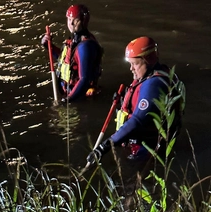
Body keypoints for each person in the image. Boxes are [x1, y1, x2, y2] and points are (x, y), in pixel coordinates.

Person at [86, 36, 185, 166]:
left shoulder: (154, 85)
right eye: (130, 64)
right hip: (137, 142)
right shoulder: (152, 75)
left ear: (148, 60)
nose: (131, 68)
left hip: (145, 149)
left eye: (135, 64)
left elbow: (137, 121)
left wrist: (104, 146)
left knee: (127, 176)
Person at [41, 4, 103, 102]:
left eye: (76, 20)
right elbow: (65, 61)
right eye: (69, 19)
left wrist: (68, 100)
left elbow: (84, 79)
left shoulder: (85, 46)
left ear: (83, 22)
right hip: (70, 94)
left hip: (79, 98)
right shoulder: (75, 41)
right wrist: (49, 46)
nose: (71, 23)